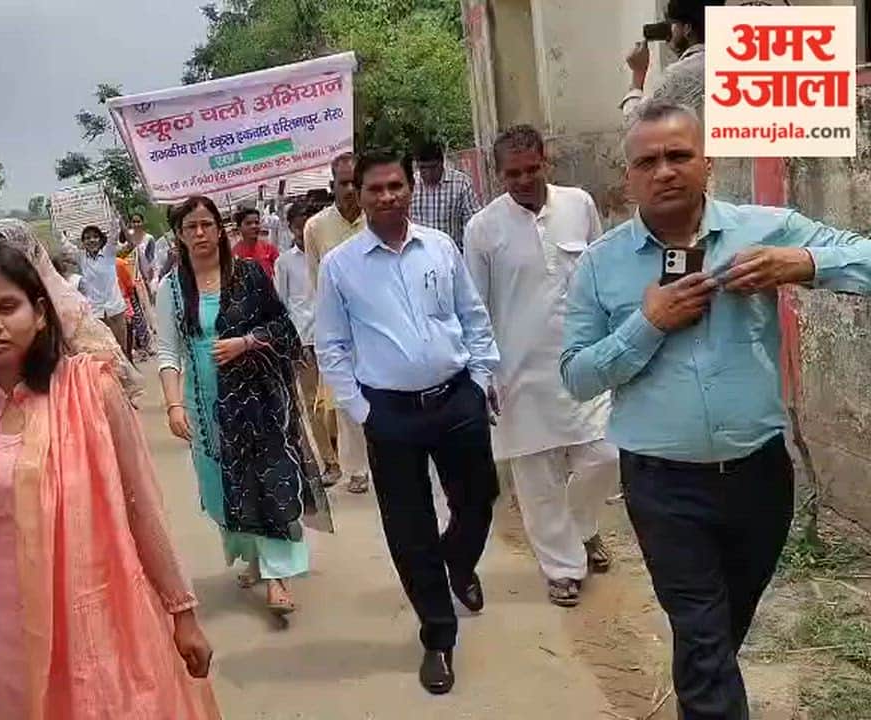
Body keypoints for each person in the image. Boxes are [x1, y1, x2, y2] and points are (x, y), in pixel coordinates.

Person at [561, 99, 871, 719]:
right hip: (662, 484)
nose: (664, 171)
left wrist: (806, 262)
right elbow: (577, 376)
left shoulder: (765, 230)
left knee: (719, 634)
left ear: (709, 163)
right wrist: (647, 324)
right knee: (703, 638)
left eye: (679, 155)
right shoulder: (601, 264)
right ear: (628, 177)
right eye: (647, 161)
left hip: (758, 477)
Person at [0, 239, 219, 720]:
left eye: (6, 307)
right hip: (7, 635)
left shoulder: (93, 390)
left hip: (107, 617)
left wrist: (182, 611)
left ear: (39, 313)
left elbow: (142, 507)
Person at [315, 151, 501, 695]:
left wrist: (480, 378)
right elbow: (331, 345)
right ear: (358, 196)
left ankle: (458, 560)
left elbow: (472, 315)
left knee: (479, 499)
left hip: (457, 398)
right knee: (409, 527)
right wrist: (361, 410)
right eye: (374, 189)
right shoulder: (340, 266)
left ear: (410, 188)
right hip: (390, 413)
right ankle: (438, 637)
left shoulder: (440, 247)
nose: (387, 196)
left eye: (395, 185)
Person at [155, 195, 331, 618]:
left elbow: (282, 326)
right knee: (223, 489)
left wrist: (246, 343)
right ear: (179, 236)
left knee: (267, 479)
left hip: (258, 401)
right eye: (191, 227)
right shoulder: (171, 289)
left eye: (206, 224)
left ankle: (278, 576)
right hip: (206, 406)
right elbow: (167, 351)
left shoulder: (248, 274)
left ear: (220, 230)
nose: (200, 233)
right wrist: (174, 405)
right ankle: (253, 556)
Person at [463, 125, 617, 608]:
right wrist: (482, 374)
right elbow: (475, 308)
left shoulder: (579, 204)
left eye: (532, 169)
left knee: (606, 456)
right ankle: (562, 568)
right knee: (537, 480)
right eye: (513, 173)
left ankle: (583, 527)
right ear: (497, 174)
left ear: (546, 161)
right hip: (518, 374)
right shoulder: (482, 229)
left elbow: (604, 276)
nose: (524, 180)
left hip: (585, 362)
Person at [0, 219, 143, 404]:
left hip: (76, 387)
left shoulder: (63, 301)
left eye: (95, 237)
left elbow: (97, 355)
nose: (5, 256)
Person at [304, 153, 371, 494]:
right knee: (346, 401)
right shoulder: (316, 228)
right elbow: (316, 281)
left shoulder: (377, 218)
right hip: (342, 328)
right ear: (332, 186)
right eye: (343, 183)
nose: (350, 190)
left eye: (355, 183)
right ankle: (357, 469)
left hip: (380, 324)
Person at [274, 201, 341, 485]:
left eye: (308, 224)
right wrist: (292, 343)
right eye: (298, 226)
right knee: (314, 404)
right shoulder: (285, 262)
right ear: (291, 228)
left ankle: (345, 455)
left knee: (338, 402)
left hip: (334, 336)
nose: (304, 232)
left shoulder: (330, 253)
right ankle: (330, 462)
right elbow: (280, 304)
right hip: (304, 342)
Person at [622, 0, 725, 122]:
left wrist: (638, 74)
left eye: (671, 23)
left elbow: (636, 124)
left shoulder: (680, 74)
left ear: (687, 28)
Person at [62, 224, 132, 352]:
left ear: (100, 240)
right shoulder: (81, 258)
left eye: (95, 237)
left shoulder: (108, 253)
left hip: (115, 309)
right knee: (105, 350)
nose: (91, 240)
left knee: (122, 348)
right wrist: (61, 232)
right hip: (96, 312)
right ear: (83, 242)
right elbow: (66, 247)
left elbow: (114, 236)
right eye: (87, 238)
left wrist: (117, 220)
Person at [409, 141, 481, 250]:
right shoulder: (412, 186)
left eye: (433, 167)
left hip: (450, 252)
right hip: (419, 253)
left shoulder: (461, 183)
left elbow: (474, 223)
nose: (428, 173)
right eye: (423, 168)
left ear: (442, 163)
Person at [230, 206, 279, 280]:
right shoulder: (234, 254)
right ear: (239, 227)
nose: (254, 226)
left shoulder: (269, 249)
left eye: (256, 222)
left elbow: (279, 274)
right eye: (248, 223)